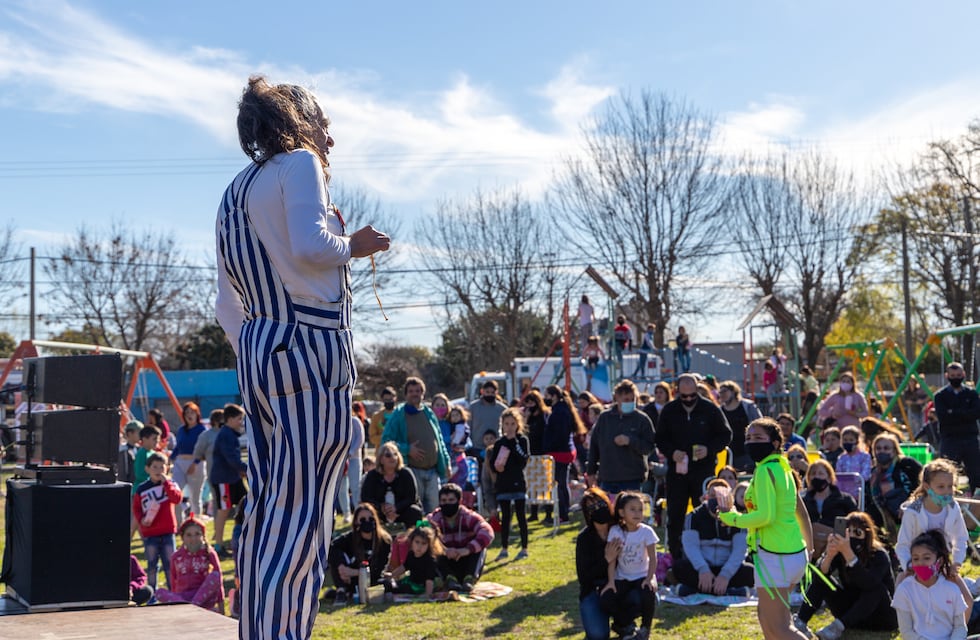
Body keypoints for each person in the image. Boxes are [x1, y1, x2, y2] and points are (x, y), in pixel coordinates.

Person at [215, 75, 390, 640]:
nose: (329, 140)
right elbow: (312, 245)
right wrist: (355, 245)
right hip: (311, 346)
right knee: (305, 516)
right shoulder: (300, 164)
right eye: (323, 125)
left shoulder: (234, 190)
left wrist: (259, 350)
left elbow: (225, 305)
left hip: (259, 348)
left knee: (268, 509)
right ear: (298, 121)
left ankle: (259, 629)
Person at [718, 418, 811, 640]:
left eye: (758, 437)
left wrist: (731, 517)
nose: (752, 442)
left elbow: (765, 517)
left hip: (777, 556)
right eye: (749, 437)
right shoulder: (782, 467)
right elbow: (801, 512)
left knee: (779, 628)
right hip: (789, 554)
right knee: (768, 620)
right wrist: (809, 548)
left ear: (776, 442)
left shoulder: (766, 470)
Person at [656, 373, 732, 558]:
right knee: (675, 514)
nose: (689, 399)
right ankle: (675, 555)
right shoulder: (669, 410)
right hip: (677, 472)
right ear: (677, 392)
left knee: (705, 511)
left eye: (692, 395)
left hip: (703, 470)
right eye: (684, 396)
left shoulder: (710, 409)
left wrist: (709, 449)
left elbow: (725, 435)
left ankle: (707, 553)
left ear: (697, 390)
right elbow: (659, 438)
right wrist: (671, 452)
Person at [795, 511, 897, 639]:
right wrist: (829, 555)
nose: (852, 537)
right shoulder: (840, 551)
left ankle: (837, 627)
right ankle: (801, 621)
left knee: (877, 588)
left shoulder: (879, 555)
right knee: (823, 579)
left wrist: (849, 554)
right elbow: (818, 577)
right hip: (850, 613)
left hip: (880, 617)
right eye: (849, 532)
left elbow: (869, 583)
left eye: (857, 532)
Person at [381, 376, 451, 514]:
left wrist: (446, 462)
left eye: (418, 391)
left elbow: (439, 440)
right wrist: (407, 449)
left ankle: (432, 529)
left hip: (433, 471)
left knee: (435, 511)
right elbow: (386, 442)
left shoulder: (428, 413)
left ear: (422, 393)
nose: (415, 394)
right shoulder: (399, 414)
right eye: (411, 391)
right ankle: (419, 529)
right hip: (412, 470)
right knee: (417, 510)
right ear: (406, 394)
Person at [576, 488, 640, 640]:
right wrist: (607, 559)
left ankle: (623, 623)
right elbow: (584, 578)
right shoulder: (584, 538)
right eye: (592, 507)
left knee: (644, 597)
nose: (598, 509)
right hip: (594, 590)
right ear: (587, 514)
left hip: (622, 584)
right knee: (598, 635)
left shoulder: (622, 528)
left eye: (601, 504)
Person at [674, 478, 754, 597]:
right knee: (679, 567)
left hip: (727, 568)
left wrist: (725, 575)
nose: (717, 500)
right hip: (702, 568)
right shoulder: (694, 516)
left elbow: (739, 551)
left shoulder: (738, 518)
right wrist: (703, 569)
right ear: (706, 497)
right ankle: (729, 592)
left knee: (751, 572)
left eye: (721, 497)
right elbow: (691, 547)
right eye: (713, 496)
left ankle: (696, 590)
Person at [600, 491, 658, 640]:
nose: (637, 513)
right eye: (632, 509)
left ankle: (645, 628)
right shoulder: (615, 531)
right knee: (606, 598)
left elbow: (653, 558)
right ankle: (623, 624)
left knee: (648, 593)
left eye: (640, 509)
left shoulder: (647, 532)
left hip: (642, 576)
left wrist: (650, 578)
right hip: (622, 577)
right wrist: (611, 581)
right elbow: (612, 559)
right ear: (621, 512)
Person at [891, 530, 969, 640]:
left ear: (939, 561)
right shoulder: (904, 590)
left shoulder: (952, 589)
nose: (920, 563)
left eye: (926, 558)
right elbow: (906, 631)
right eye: (916, 559)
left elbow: (960, 627)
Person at [896, 458, 969, 570]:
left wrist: (957, 562)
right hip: (918, 567)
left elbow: (961, 538)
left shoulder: (953, 507)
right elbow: (903, 545)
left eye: (950, 486)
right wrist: (909, 567)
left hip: (942, 565)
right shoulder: (913, 512)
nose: (947, 491)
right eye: (941, 487)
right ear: (927, 487)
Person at [586, 379, 657, 495]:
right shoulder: (604, 418)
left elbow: (649, 447)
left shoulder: (642, 419)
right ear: (617, 398)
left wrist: (630, 441)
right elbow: (594, 446)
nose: (630, 403)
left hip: (632, 478)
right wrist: (591, 472)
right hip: (607, 477)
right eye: (626, 400)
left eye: (633, 399)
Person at [426, 483, 494, 592]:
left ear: (460, 501)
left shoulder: (469, 517)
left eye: (451, 500)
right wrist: (444, 550)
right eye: (443, 501)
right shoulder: (434, 519)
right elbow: (423, 534)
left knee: (480, 547)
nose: (447, 504)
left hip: (466, 558)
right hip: (445, 560)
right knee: (430, 547)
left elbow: (487, 532)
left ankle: (469, 579)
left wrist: (467, 550)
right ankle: (449, 579)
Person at [133, 451, 183, 589]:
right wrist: (141, 519)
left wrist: (166, 483)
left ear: (167, 468)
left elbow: (176, 499)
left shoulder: (171, 484)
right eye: (154, 467)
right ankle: (152, 593)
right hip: (150, 533)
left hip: (168, 531)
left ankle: (173, 591)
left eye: (162, 467)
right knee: (152, 565)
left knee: (170, 564)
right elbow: (136, 508)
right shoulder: (142, 489)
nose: (158, 470)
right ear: (147, 469)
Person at [155, 515, 224, 611]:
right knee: (159, 592)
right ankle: (190, 607)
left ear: (203, 536)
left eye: (197, 534)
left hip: (203, 597)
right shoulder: (176, 557)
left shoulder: (209, 553)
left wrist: (221, 606)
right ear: (182, 537)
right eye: (189, 535)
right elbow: (174, 583)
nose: (193, 538)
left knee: (215, 575)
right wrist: (175, 601)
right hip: (182, 597)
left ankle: (192, 607)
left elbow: (218, 581)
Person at [327, 503, 392, 605]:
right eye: (362, 519)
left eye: (370, 518)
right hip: (350, 578)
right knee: (336, 555)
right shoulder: (350, 538)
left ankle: (348, 592)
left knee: (386, 584)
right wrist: (341, 566)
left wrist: (355, 572)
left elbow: (378, 570)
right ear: (356, 522)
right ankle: (341, 591)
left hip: (371, 579)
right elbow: (331, 547)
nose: (367, 521)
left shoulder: (384, 541)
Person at [488, 407, 530, 560]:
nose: (510, 427)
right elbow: (492, 463)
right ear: (502, 425)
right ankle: (504, 548)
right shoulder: (499, 443)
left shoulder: (522, 440)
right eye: (507, 424)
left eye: (513, 424)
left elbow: (523, 459)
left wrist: (514, 443)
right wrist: (496, 467)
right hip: (503, 484)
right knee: (505, 518)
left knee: (521, 516)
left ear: (518, 424)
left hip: (518, 482)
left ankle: (524, 548)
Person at [542, 384, 586, 524]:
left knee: (559, 484)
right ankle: (564, 511)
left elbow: (559, 434)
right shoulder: (563, 409)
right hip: (565, 451)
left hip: (559, 452)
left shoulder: (559, 412)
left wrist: (548, 445)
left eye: (547, 395)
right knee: (562, 483)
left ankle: (563, 513)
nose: (545, 398)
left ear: (554, 396)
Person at [209, 403, 248, 557]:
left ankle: (243, 538)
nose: (241, 422)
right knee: (223, 511)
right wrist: (247, 469)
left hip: (233, 478)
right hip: (223, 480)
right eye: (239, 419)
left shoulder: (230, 434)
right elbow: (231, 458)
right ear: (230, 419)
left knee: (246, 504)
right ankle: (218, 545)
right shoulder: (226, 435)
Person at [935, 362, 980, 492]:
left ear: (963, 375)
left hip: (970, 438)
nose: (956, 378)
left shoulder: (971, 394)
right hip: (950, 439)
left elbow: (976, 413)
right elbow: (943, 416)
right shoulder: (940, 396)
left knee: (976, 473)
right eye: (953, 375)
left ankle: (977, 499)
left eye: (959, 375)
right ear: (947, 376)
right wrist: (964, 413)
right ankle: (947, 497)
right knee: (946, 472)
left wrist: (953, 412)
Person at [866, 433, 922, 536]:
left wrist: (910, 502)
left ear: (895, 450)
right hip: (886, 512)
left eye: (886, 448)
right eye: (878, 449)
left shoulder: (907, 464)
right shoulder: (874, 473)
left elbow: (922, 485)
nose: (882, 451)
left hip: (912, 505)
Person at [360, 441, 424, 529]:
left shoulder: (406, 473)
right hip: (380, 512)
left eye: (395, 454)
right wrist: (381, 507)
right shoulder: (372, 476)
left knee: (415, 511)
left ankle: (414, 535)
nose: (392, 457)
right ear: (381, 459)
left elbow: (412, 497)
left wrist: (396, 508)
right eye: (388, 455)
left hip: (402, 510)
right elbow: (365, 498)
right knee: (367, 512)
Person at [801, 460, 857, 557]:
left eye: (821, 474)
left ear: (829, 478)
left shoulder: (845, 500)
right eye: (813, 474)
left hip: (837, 548)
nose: (816, 477)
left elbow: (855, 522)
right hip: (809, 547)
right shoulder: (803, 501)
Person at [385, 522, 442, 599]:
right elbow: (404, 567)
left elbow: (429, 580)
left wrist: (427, 595)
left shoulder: (430, 560)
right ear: (411, 541)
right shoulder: (411, 554)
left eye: (423, 543)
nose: (419, 546)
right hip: (411, 582)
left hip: (422, 587)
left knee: (403, 589)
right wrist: (392, 575)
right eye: (417, 542)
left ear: (429, 545)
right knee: (388, 584)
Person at [171, 402, 206, 516]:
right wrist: (170, 459)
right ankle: (179, 520)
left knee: (195, 497)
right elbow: (178, 447)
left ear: (197, 414)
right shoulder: (181, 430)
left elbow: (203, 449)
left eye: (192, 412)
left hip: (196, 463)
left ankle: (196, 520)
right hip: (180, 462)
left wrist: (195, 463)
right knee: (175, 492)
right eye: (187, 413)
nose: (189, 415)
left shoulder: (201, 429)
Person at [717, 380, 762, 471]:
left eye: (724, 391)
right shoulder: (719, 410)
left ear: (733, 392)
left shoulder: (748, 406)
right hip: (729, 453)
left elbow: (760, 424)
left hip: (747, 452)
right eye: (720, 392)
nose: (722, 394)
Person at [469, 380, 508, 454]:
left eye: (492, 392)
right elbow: (468, 426)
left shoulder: (502, 409)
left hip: (496, 448)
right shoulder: (473, 407)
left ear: (496, 392)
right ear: (482, 391)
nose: (490, 394)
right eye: (487, 392)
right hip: (476, 448)